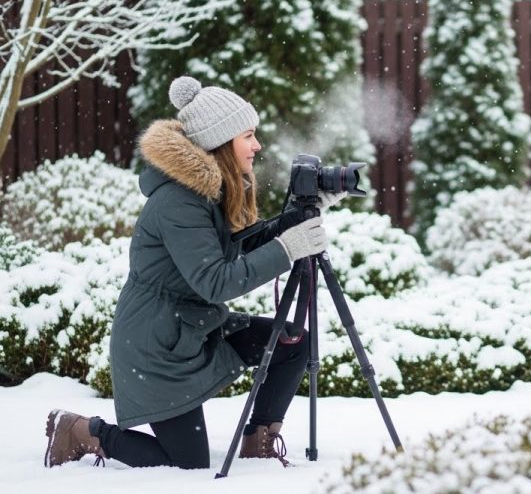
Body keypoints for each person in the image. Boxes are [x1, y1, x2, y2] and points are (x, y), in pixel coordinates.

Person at [43, 76, 346, 470]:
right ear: (220, 141)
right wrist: (288, 248)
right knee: (186, 463)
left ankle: (259, 443)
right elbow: (216, 281)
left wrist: (296, 221)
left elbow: (234, 246)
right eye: (248, 136)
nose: (257, 146)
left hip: (195, 326)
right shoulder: (178, 202)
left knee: (291, 342)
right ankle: (84, 431)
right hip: (158, 346)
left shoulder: (206, 190)